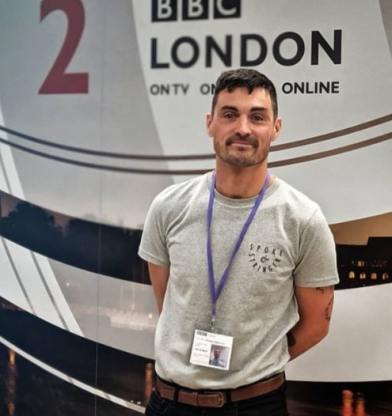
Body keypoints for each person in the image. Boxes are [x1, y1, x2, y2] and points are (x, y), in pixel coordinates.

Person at [138, 68, 338, 415]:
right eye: (230, 114)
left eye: (257, 117)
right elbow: (168, 300)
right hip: (169, 403)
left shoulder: (303, 219)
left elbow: (317, 324)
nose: (243, 128)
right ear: (210, 123)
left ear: (276, 128)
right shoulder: (169, 207)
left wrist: (255, 361)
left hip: (254, 405)